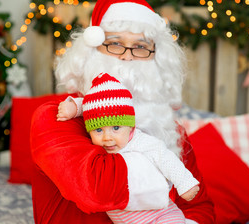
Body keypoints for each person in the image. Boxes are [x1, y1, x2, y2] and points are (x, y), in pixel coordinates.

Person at [30, 0, 215, 224]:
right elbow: (97, 191)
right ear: (90, 51)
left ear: (156, 58)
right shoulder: (54, 117)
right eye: (115, 43)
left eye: (140, 46)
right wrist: (166, 165)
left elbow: (198, 205)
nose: (128, 57)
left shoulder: (170, 131)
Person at [57, 72, 200, 223]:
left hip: (161, 216)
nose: (107, 137)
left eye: (116, 128)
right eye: (98, 130)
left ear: (130, 125)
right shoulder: (97, 151)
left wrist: (185, 183)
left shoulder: (140, 141)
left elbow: (164, 157)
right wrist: (74, 108)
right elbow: (91, 107)